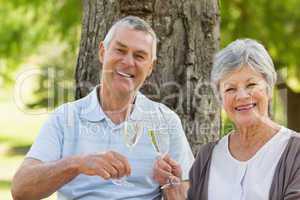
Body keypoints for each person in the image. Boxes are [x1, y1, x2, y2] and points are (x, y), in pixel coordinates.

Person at [11, 16, 194, 200]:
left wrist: (171, 184)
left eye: (139, 56)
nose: (128, 62)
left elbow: (187, 194)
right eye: (120, 50)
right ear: (102, 52)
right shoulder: (65, 117)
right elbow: (21, 190)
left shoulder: (166, 120)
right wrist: (77, 164)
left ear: (150, 67)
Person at [154, 38, 300, 200]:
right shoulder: (207, 156)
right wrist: (173, 188)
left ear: (269, 89)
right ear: (221, 98)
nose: (242, 96)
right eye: (230, 88)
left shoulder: (295, 152)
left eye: (251, 85)